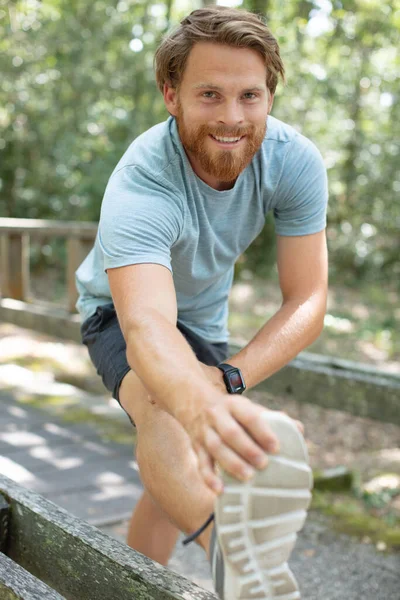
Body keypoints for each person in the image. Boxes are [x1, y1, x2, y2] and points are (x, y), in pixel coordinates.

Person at [75, 5, 328, 599]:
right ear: (171, 95)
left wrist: (226, 380)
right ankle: (236, 560)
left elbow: (308, 298)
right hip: (118, 310)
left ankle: (125, 590)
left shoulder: (294, 161)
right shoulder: (143, 180)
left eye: (250, 95)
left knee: (171, 477)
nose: (233, 117)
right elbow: (147, 325)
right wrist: (197, 405)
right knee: (168, 412)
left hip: (204, 320)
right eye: (209, 94)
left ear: (270, 95)